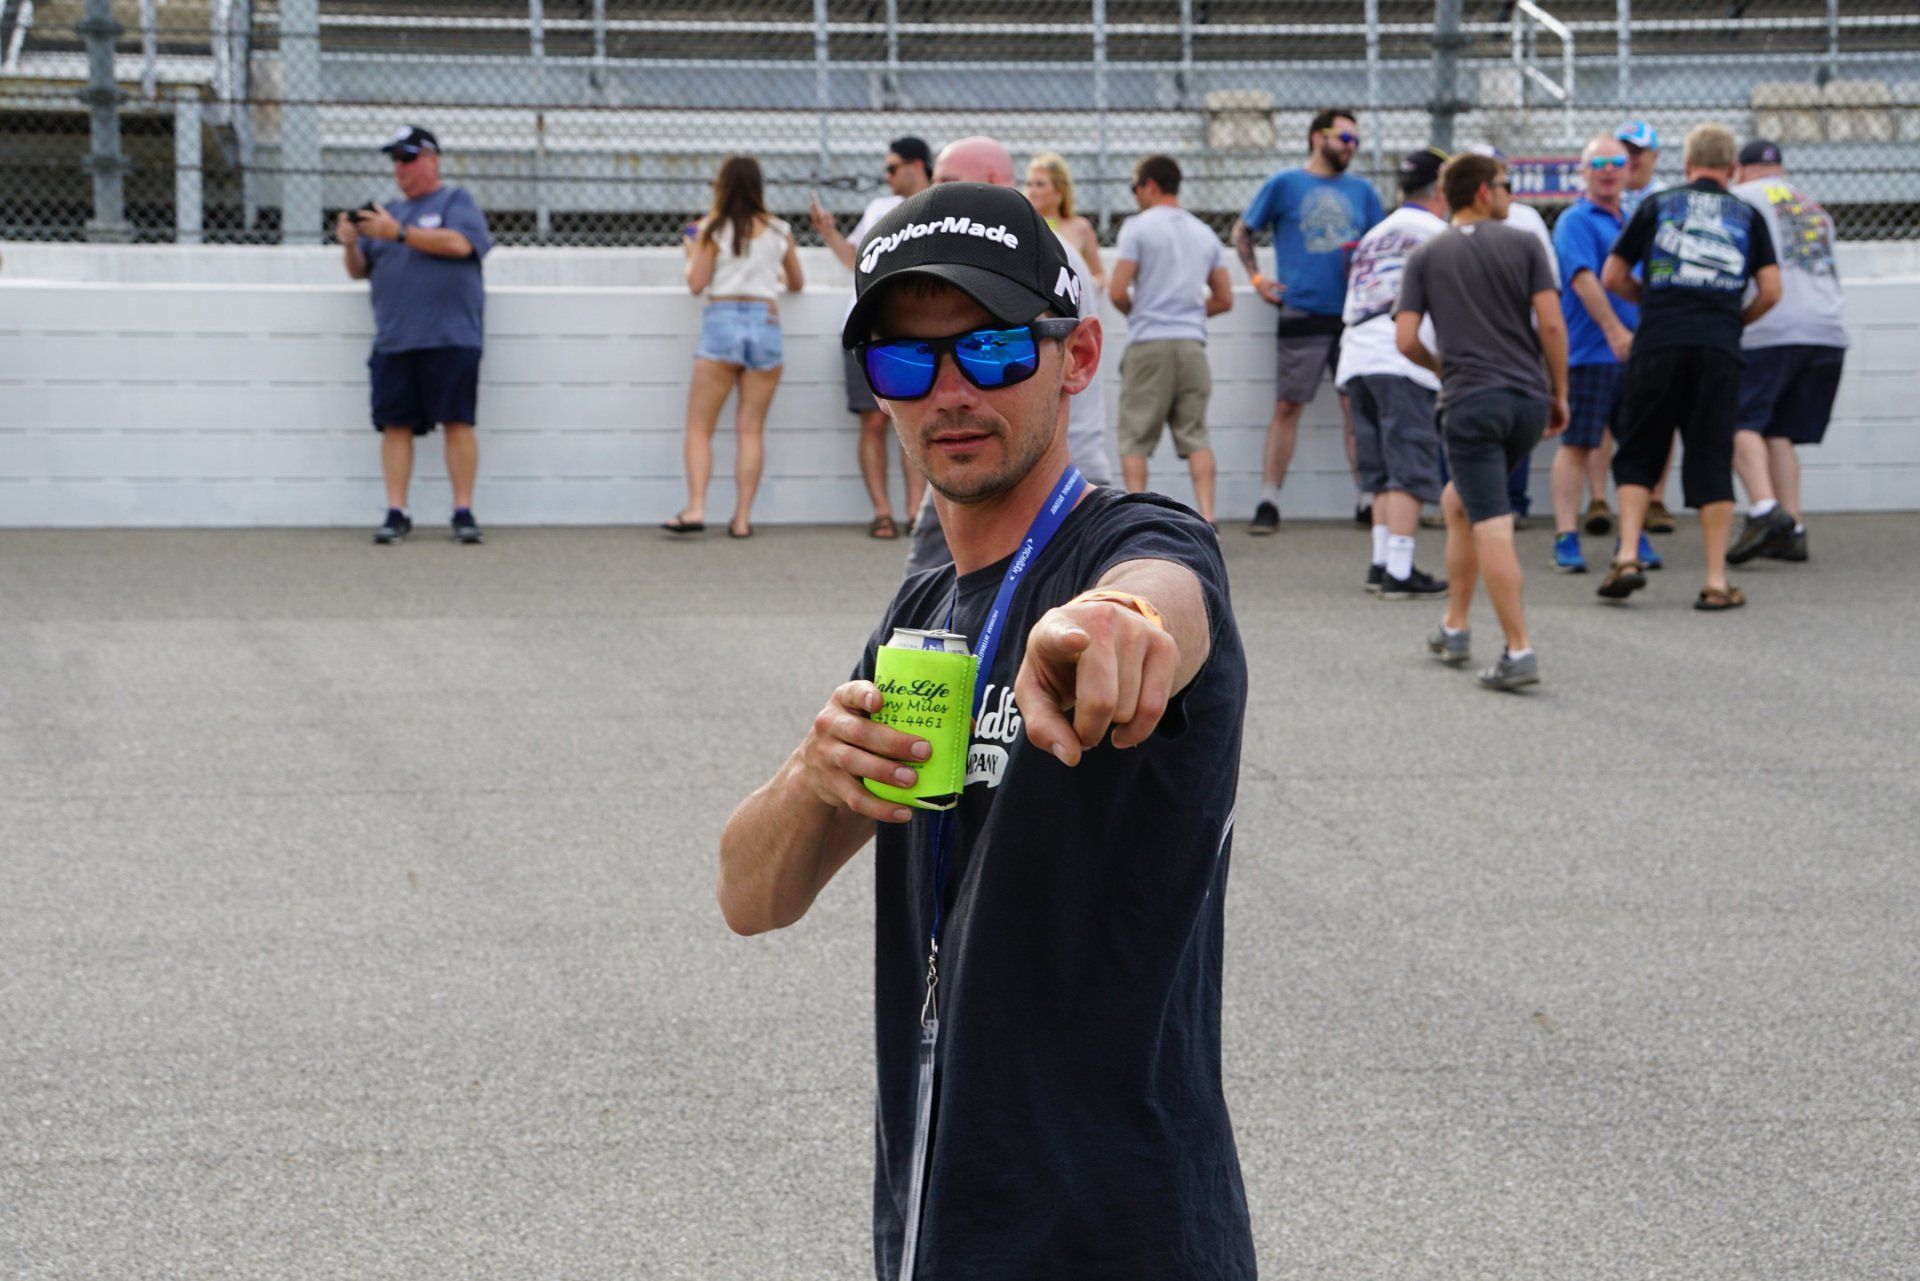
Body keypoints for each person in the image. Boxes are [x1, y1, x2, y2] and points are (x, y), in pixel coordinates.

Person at [717, 180, 1255, 1280]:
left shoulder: (1131, 544)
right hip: (939, 1207)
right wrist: (815, 777)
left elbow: (1166, 595)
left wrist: (1121, 626)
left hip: (1116, 1230)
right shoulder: (923, 613)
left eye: (996, 350)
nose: (951, 393)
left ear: (1080, 354)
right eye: (907, 365)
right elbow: (750, 898)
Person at [902, 136, 1115, 578]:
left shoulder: (1046, 257)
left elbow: (1154, 577)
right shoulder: (969, 257)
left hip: (1046, 464)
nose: (950, 392)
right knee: (926, 612)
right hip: (978, 456)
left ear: (994, 181)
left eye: (947, 181)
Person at [1395, 153, 1569, 690]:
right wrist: (1558, 392)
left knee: (1491, 520)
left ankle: (1519, 650)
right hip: (1526, 401)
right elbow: (1553, 325)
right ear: (1479, 192)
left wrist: (1443, 367)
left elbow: (1405, 340)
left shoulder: (1426, 256)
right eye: (1504, 185)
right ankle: (1455, 627)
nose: (1510, 193)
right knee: (1458, 502)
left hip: (1471, 402)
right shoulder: (1525, 243)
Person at [1598, 124, 1781, 610]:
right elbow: (1772, 291)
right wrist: (1733, 321)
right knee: (1710, 456)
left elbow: (1612, 276)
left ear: (1686, 165)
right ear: (1733, 170)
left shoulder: (1657, 207)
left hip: (1658, 343)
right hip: (1718, 347)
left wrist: (1652, 302)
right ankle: (1716, 580)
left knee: (1639, 449)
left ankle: (1628, 556)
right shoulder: (1747, 214)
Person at [337, 126, 494, 545]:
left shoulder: (455, 201)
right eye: (396, 160)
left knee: (457, 421)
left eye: (408, 158)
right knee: (395, 425)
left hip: (451, 335)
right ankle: (397, 510)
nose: (401, 168)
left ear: (432, 159)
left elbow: (461, 245)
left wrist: (400, 234)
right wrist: (350, 243)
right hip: (396, 338)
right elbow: (358, 270)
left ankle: (463, 510)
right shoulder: (385, 213)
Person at [1232, 108, 1384, 532]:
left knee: (1357, 406)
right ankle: (1268, 500)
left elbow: (1378, 246)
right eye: (1345, 138)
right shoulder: (1285, 184)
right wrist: (1258, 279)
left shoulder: (1364, 191)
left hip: (1354, 315)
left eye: (1356, 140)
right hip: (1302, 308)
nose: (1352, 147)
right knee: (1287, 404)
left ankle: (1367, 499)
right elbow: (1243, 230)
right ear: (1319, 137)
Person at [665, 155, 803, 540]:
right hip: (766, 320)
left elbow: (696, 284)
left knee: (699, 427)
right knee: (750, 429)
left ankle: (695, 508)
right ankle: (741, 519)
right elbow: (796, 283)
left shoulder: (709, 228)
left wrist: (690, 250)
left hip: (722, 319)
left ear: (721, 185)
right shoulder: (779, 230)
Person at [1726, 139, 1848, 565]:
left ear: (1737, 170)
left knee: (1737, 422)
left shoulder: (1737, 199)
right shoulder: (1812, 205)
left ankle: (1765, 511)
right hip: (1828, 330)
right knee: (1779, 431)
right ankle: (1792, 528)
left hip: (1772, 327)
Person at [1336, 147, 1451, 599]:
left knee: (1379, 467)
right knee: (1408, 464)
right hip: (1401, 355)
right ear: (1441, 188)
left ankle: (1382, 562)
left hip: (1358, 354)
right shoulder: (1439, 233)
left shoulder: (1374, 234)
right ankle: (1400, 570)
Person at [812, 137, 934, 539]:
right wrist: (829, 233)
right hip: (867, 326)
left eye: (892, 168)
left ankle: (917, 512)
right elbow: (855, 261)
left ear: (918, 165)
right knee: (872, 422)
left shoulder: (940, 203)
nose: (886, 177)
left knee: (916, 421)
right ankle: (883, 512)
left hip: (916, 329)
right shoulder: (880, 208)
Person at [1547, 135, 1657, 575]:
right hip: (1592, 353)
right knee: (1577, 444)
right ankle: (1565, 535)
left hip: (1639, 353)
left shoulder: (1635, 218)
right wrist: (1613, 330)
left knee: (1636, 447)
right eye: (1600, 163)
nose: (1610, 170)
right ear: (1583, 171)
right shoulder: (1576, 221)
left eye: (1618, 162)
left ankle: (1633, 537)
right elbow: (1583, 279)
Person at [1109, 154, 1233, 525]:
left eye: (1135, 187)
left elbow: (1117, 290)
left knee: (1135, 435)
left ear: (1150, 185)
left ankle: (1135, 518)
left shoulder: (1138, 228)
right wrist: (1191, 316)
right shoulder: (1204, 232)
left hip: (1149, 343)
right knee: (1195, 434)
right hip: (1192, 346)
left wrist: (1141, 312)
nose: (1134, 195)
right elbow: (1225, 298)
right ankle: (1208, 516)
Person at [1467, 144, 1559, 528]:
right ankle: (1470, 501)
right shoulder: (1454, 225)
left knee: (1516, 418)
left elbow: (1549, 285)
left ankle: (1513, 502)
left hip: (1517, 336)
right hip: (1474, 337)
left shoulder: (1524, 219)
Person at [1615, 117, 1679, 533]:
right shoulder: (1605, 198)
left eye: (1638, 152)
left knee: (1661, 412)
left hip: (1652, 322)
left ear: (1655, 157)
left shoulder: (1667, 202)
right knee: (1603, 416)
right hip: (1611, 321)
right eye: (1625, 151)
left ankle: (1655, 496)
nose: (1630, 160)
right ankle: (1602, 500)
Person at [1024, 151, 1107, 291]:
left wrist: (1088, 286)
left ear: (1059, 191)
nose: (1032, 190)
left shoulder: (1080, 227)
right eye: (1029, 184)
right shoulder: (1023, 226)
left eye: (1040, 184)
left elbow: (1100, 275)